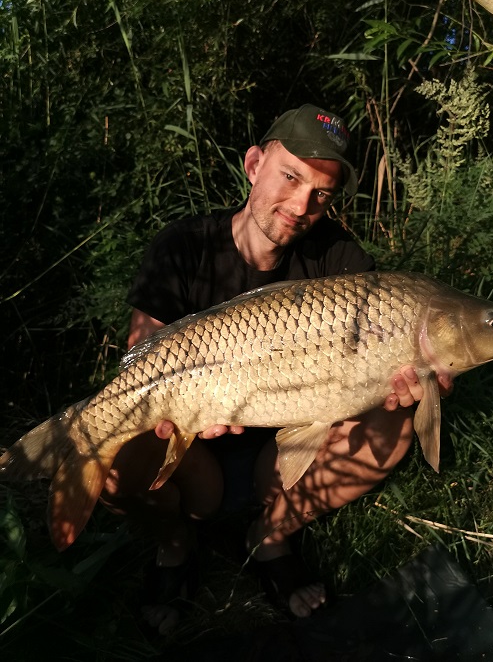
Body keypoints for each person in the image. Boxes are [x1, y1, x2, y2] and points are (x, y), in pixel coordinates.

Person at [102, 104, 442, 634]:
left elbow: (376, 366)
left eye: (322, 193)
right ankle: (176, 542)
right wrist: (178, 419)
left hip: (278, 462)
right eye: (290, 177)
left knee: (396, 418)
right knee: (117, 456)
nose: (302, 204)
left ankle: (271, 534)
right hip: (196, 462)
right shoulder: (184, 246)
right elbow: (142, 357)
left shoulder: (341, 260)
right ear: (254, 163)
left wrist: (399, 385)